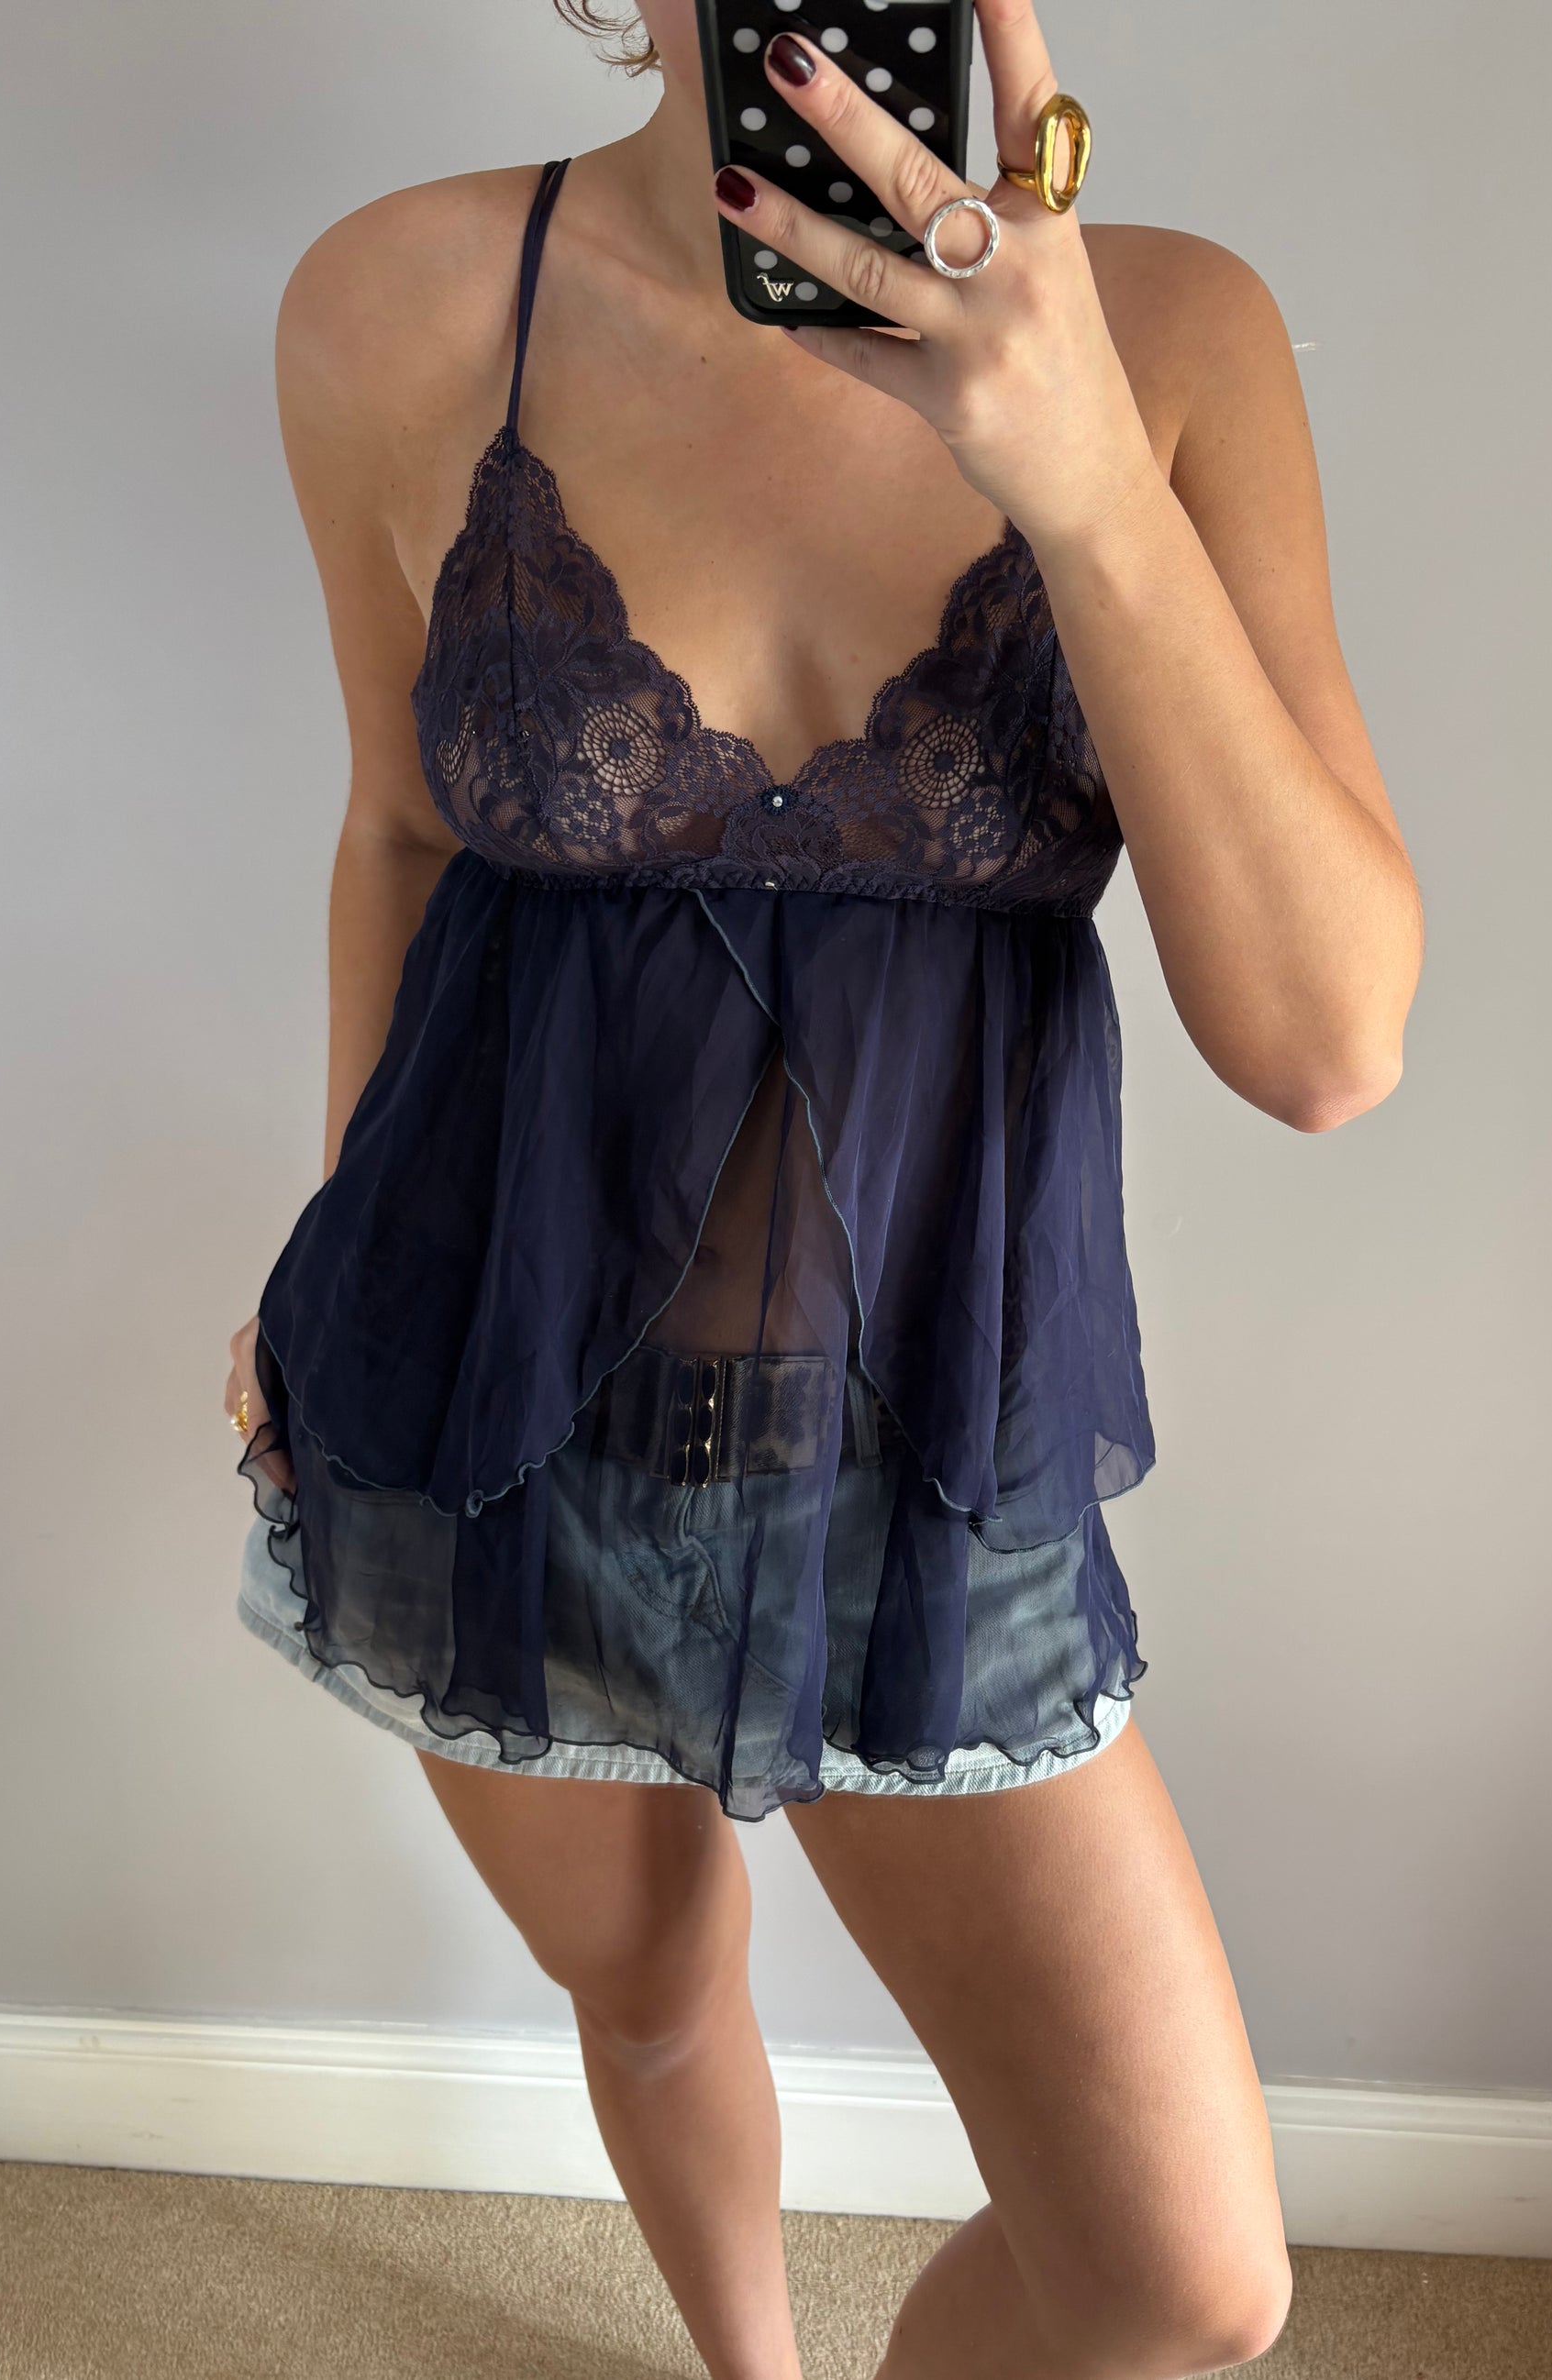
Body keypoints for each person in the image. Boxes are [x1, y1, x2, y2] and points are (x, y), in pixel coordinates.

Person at [224, 0, 1421, 2370]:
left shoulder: (1171, 338)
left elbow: (1324, 1042)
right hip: (483, 1403)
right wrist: (340, 1226)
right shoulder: (403, 302)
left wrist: (1080, 478)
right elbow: (401, 830)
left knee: (1179, 2277)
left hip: (919, 1479)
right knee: (653, 1990)